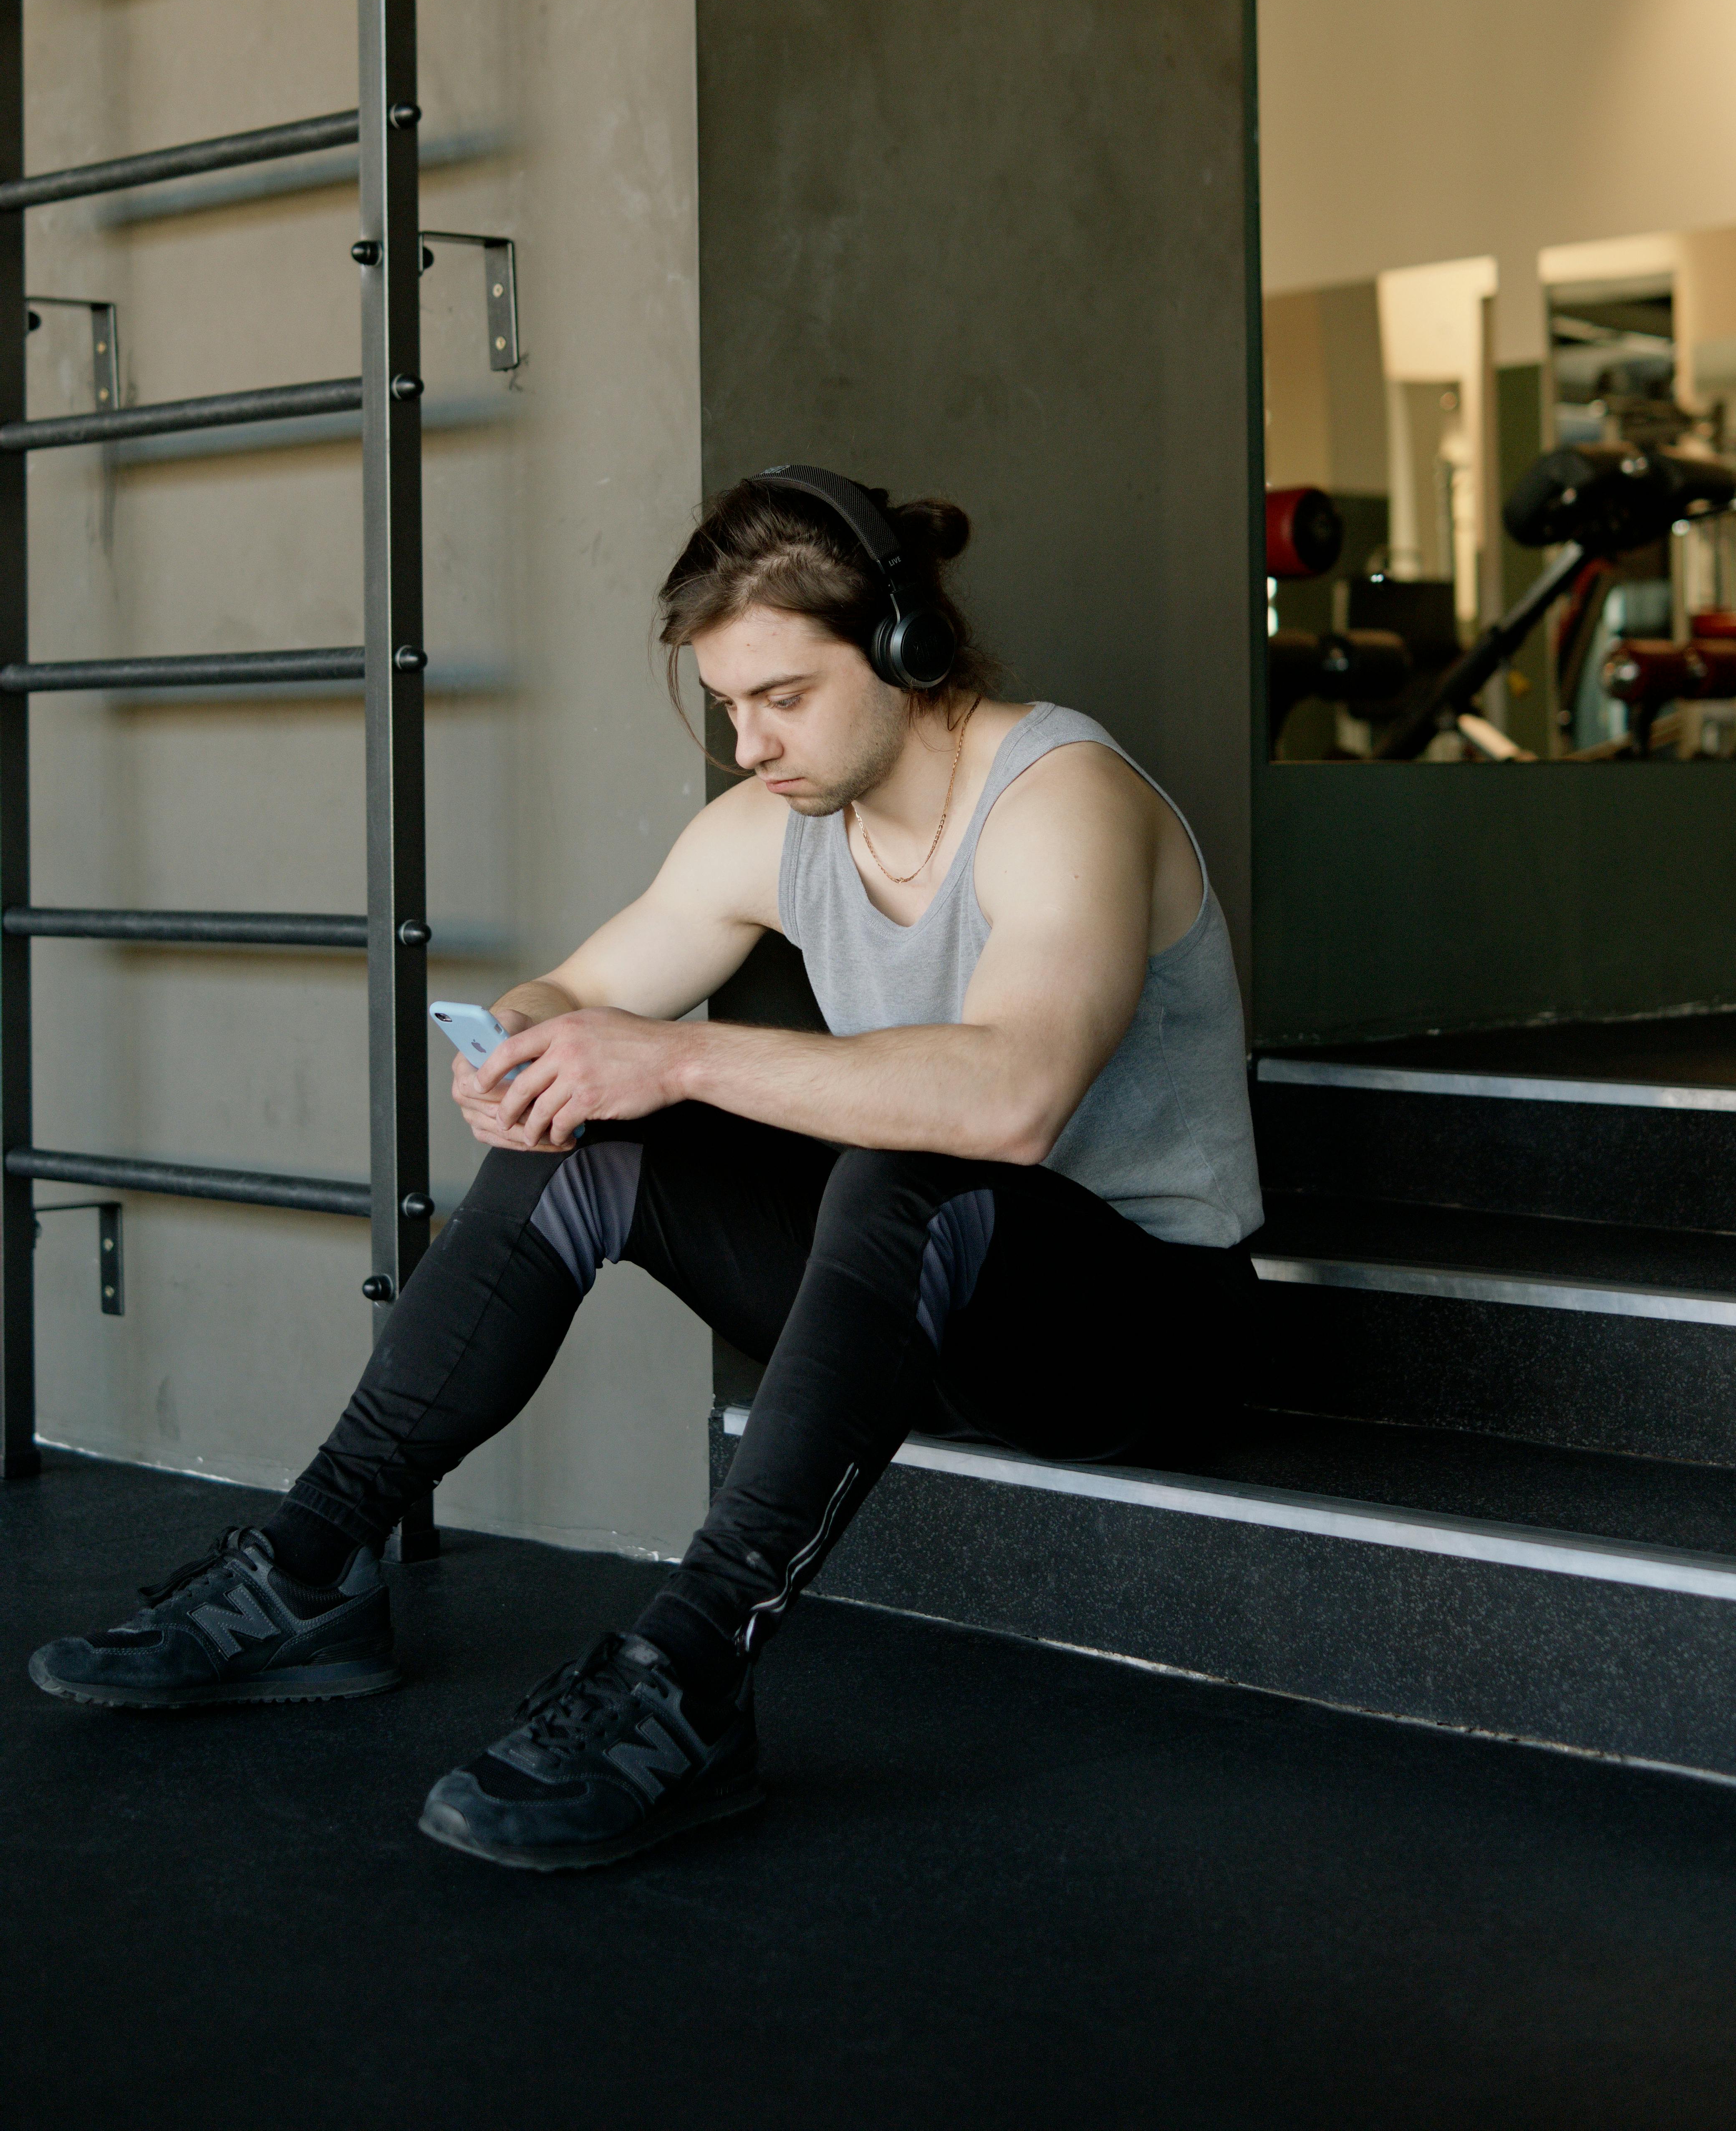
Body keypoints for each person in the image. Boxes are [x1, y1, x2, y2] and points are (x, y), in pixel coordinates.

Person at [28, 465, 1263, 1872]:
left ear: (907, 651)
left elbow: (1016, 1096)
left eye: (784, 698)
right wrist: (527, 1052)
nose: (750, 745)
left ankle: (687, 1679)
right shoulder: (776, 828)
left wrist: (674, 1057)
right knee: (604, 1132)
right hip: (925, 1306)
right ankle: (311, 1569)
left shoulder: (1063, 797)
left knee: (898, 1169)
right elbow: (581, 989)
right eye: (730, 705)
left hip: (1138, 1327)